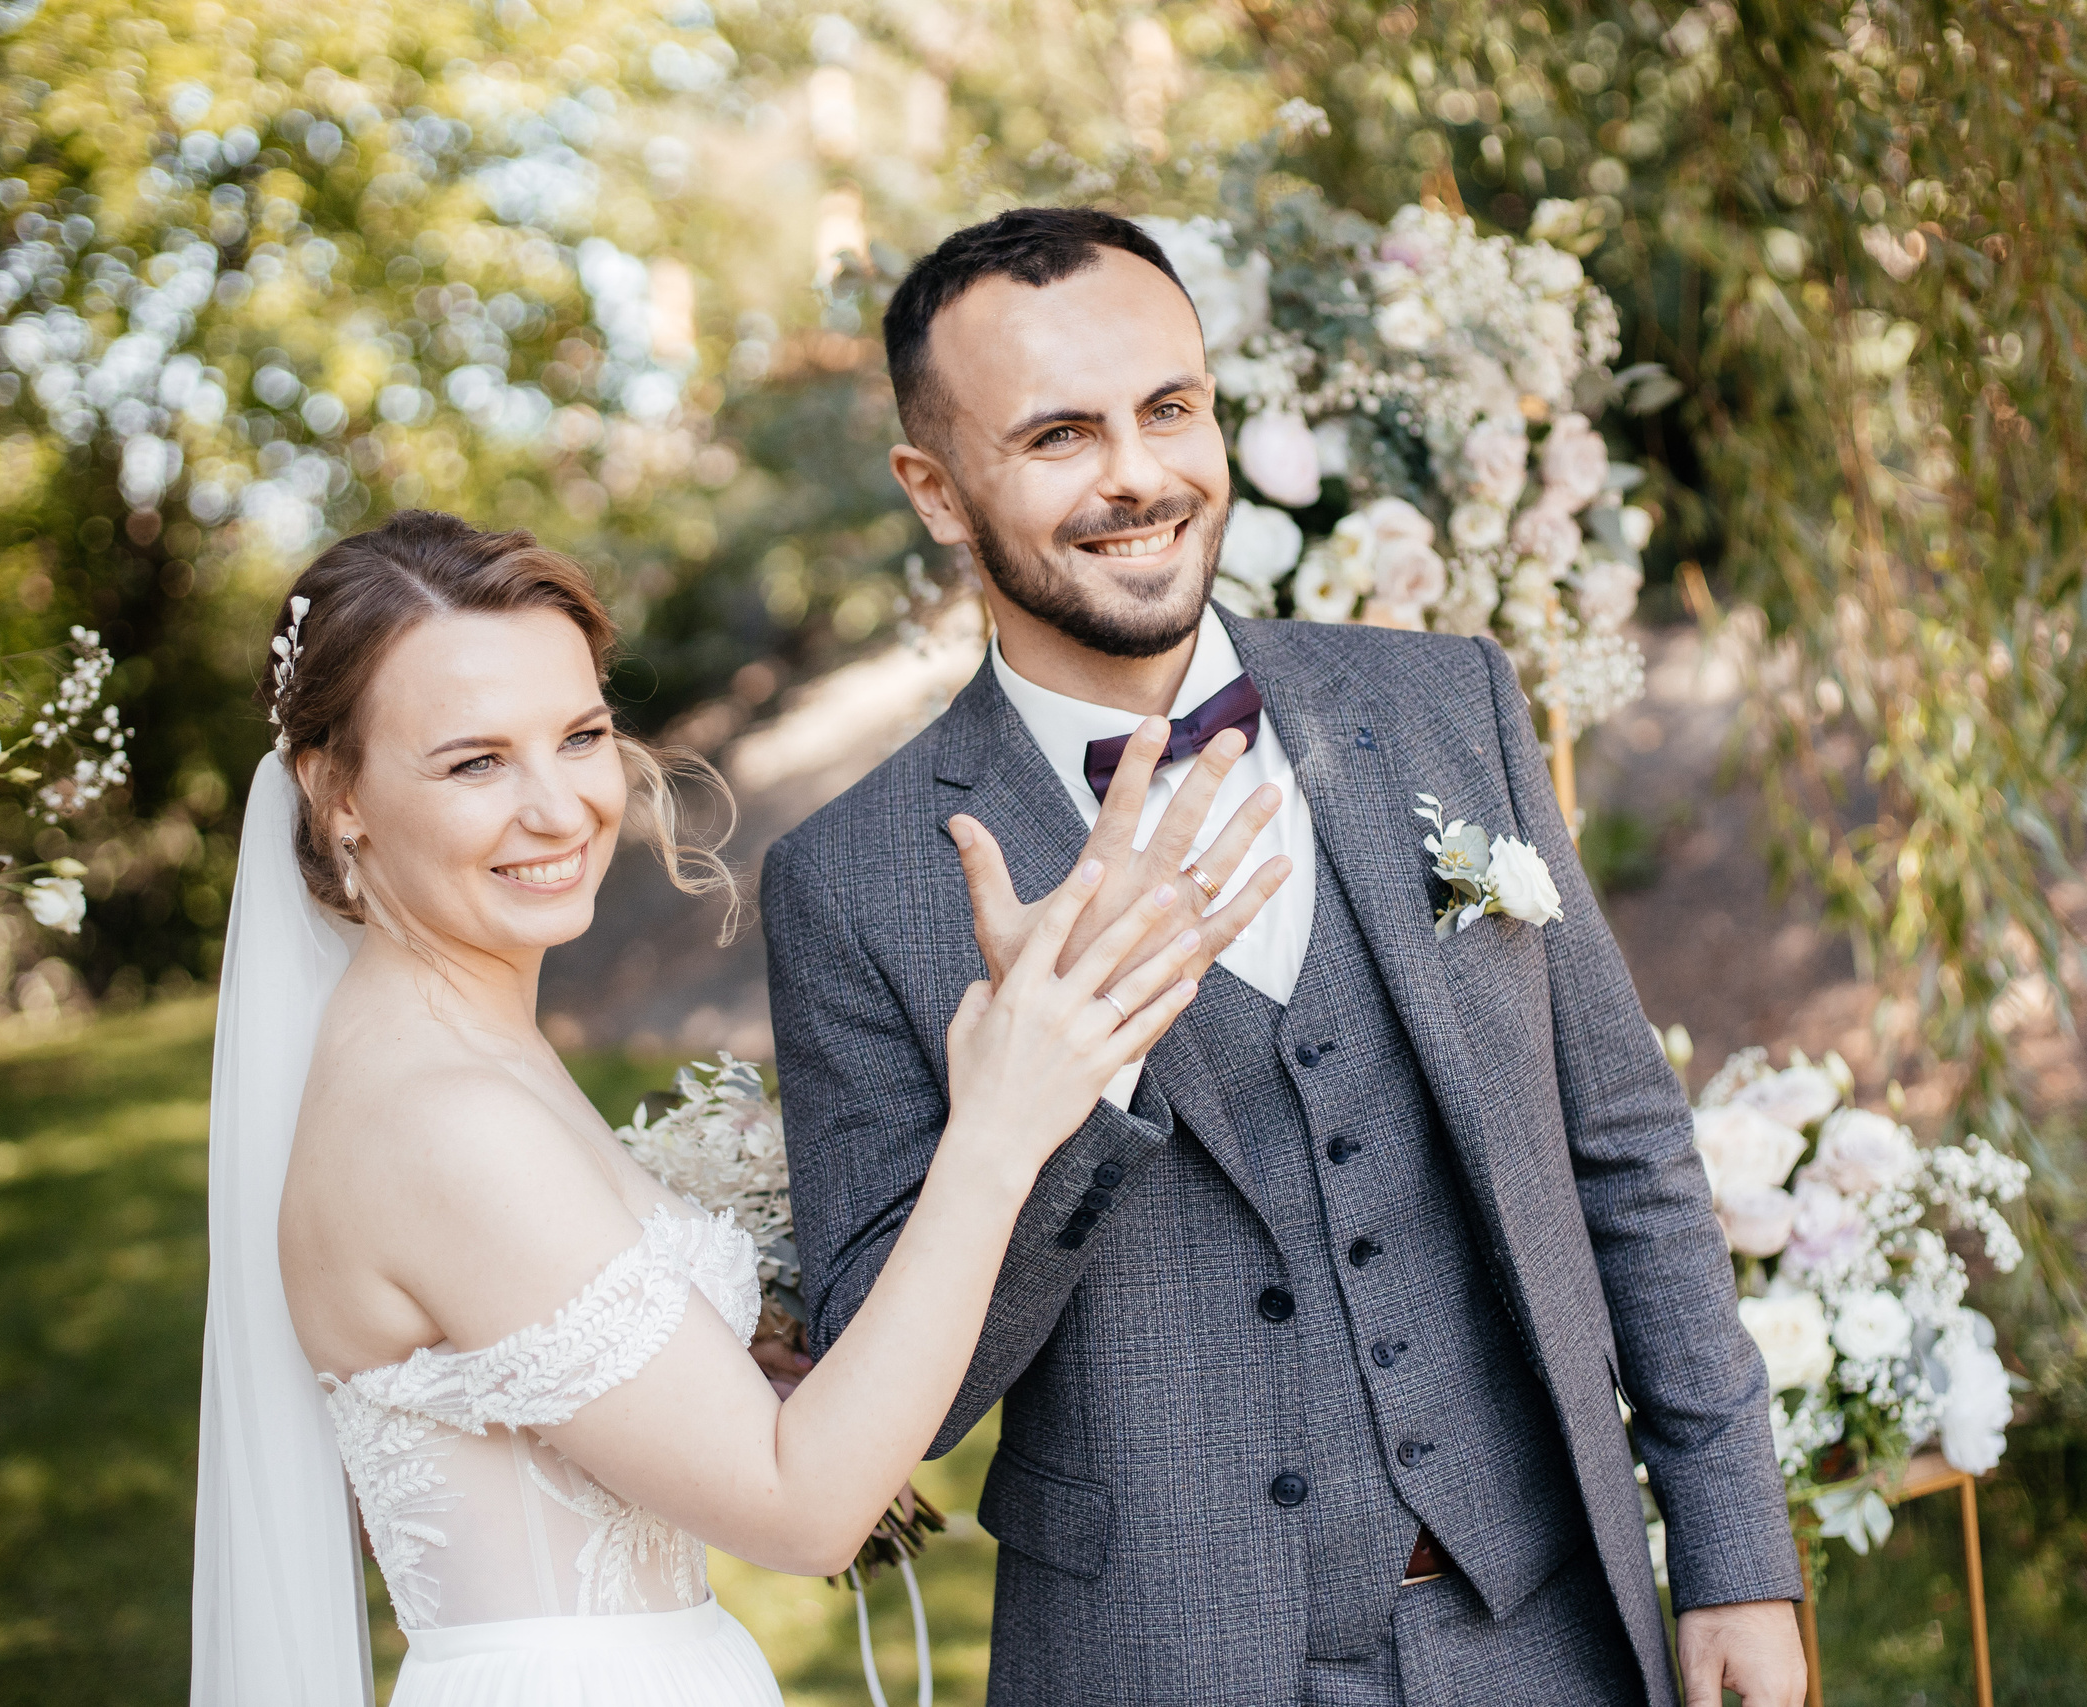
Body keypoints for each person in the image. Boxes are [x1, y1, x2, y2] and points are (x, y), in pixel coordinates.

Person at [763, 207, 1810, 1705]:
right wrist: (1071, 1077)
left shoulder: (1446, 704)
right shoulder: (856, 880)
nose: (1139, 474)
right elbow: (896, 1391)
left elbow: (1626, 1146)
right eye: (1060, 433)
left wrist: (1733, 1556)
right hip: (1162, 1660)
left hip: (1549, 1630)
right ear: (936, 489)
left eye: (1170, 409)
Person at [189, 510, 1287, 1705]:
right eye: (475, 762)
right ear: (334, 793)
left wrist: (733, 1364)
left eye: (580, 735)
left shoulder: (446, 1049)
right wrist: (1002, 1124)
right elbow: (804, 1512)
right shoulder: (441, 1118)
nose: (559, 809)